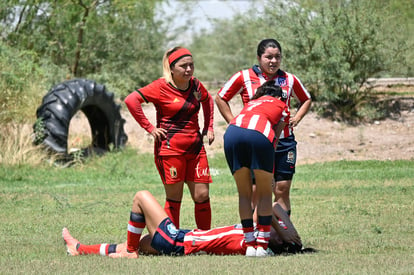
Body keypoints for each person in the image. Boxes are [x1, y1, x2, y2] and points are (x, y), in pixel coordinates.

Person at [215, 38, 312, 224]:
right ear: (259, 58)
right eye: (268, 57)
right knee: (254, 191)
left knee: (281, 189)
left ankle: (281, 234)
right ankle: (254, 235)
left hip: (283, 142)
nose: (273, 61)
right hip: (256, 140)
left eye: (277, 57)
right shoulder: (244, 76)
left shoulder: (289, 79)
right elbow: (220, 98)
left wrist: (297, 117)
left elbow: (306, 99)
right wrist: (234, 122)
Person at [62, 190, 304, 258]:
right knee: (132, 243)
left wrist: (290, 238)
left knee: (141, 197)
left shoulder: (253, 243)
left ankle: (131, 253)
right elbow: (273, 210)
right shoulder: (254, 237)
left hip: (177, 240)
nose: (270, 228)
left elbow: (272, 208)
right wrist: (291, 238)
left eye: (274, 232)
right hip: (180, 242)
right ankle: (79, 249)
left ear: (273, 241)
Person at [124, 47, 215, 230]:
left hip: (196, 148)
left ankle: (205, 240)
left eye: (191, 65)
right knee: (175, 197)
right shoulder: (160, 86)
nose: (189, 69)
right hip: (170, 149)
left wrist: (209, 126)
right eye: (184, 66)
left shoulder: (195, 84)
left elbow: (208, 100)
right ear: (171, 68)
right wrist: (149, 128)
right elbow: (131, 100)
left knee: (202, 195)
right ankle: (172, 242)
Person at [223, 80, 290, 257]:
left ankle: (249, 245)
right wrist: (271, 173)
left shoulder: (251, 103)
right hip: (259, 135)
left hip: (232, 132)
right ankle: (261, 246)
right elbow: (275, 138)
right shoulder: (282, 104)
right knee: (265, 192)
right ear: (277, 95)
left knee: (244, 193)